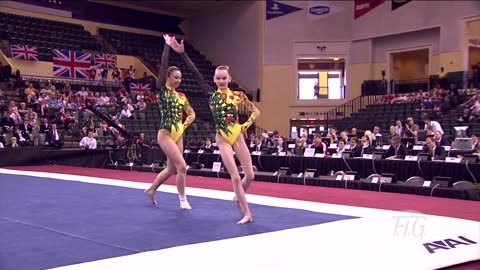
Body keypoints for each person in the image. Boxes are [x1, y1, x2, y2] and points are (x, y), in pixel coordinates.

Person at [144, 34, 197, 210]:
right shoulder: (162, 90)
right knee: (182, 166)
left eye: (180, 78)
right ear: (168, 78)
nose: (178, 80)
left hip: (178, 134)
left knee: (172, 169)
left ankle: (151, 189)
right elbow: (163, 66)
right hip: (165, 134)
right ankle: (183, 200)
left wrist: (184, 125)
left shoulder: (182, 96)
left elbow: (192, 114)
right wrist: (167, 46)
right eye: (175, 77)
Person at [208, 65, 260, 224]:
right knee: (236, 176)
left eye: (224, 78)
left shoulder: (239, 95)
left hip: (237, 136)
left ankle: (238, 197)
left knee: (250, 175)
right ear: (214, 79)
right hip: (222, 138)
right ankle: (247, 213)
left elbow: (256, 112)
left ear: (230, 79)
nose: (221, 81)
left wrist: (244, 126)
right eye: (218, 78)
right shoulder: (212, 96)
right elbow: (196, 74)